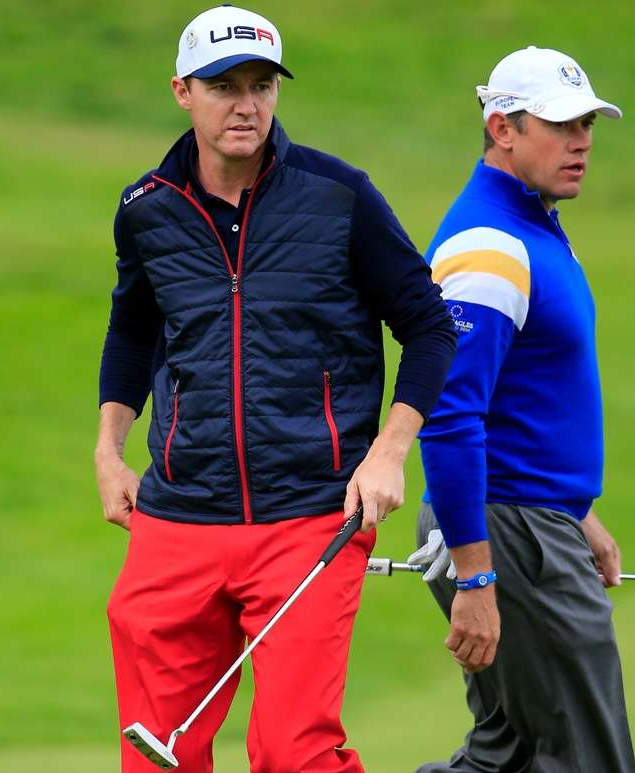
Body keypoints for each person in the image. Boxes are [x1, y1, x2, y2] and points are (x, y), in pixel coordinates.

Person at [95, 5, 455, 772]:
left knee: (295, 753)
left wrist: (389, 452)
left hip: (311, 517)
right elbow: (132, 331)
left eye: (261, 85)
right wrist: (108, 448)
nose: (247, 104)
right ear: (182, 91)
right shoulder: (146, 209)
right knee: (158, 754)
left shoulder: (339, 196)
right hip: (178, 518)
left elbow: (428, 326)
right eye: (224, 85)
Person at [408, 46, 635, 772]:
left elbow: (525, 398)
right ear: (502, 127)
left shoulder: (533, 226)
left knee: (508, 752)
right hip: (508, 533)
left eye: (588, 125)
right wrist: (477, 577)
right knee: (586, 757)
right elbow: (447, 416)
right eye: (561, 125)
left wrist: (576, 511)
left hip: (530, 519)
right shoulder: (491, 245)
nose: (582, 143)